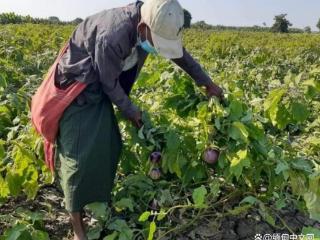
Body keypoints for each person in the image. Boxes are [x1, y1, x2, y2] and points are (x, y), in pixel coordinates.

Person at [54, 0, 223, 239]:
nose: (160, 49)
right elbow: (108, 82)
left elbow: (180, 55)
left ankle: (100, 202)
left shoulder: (152, 25)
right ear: (143, 28)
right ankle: (77, 228)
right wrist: (131, 110)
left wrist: (206, 82)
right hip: (80, 88)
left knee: (109, 145)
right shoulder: (112, 35)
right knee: (79, 159)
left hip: (102, 86)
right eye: (157, 43)